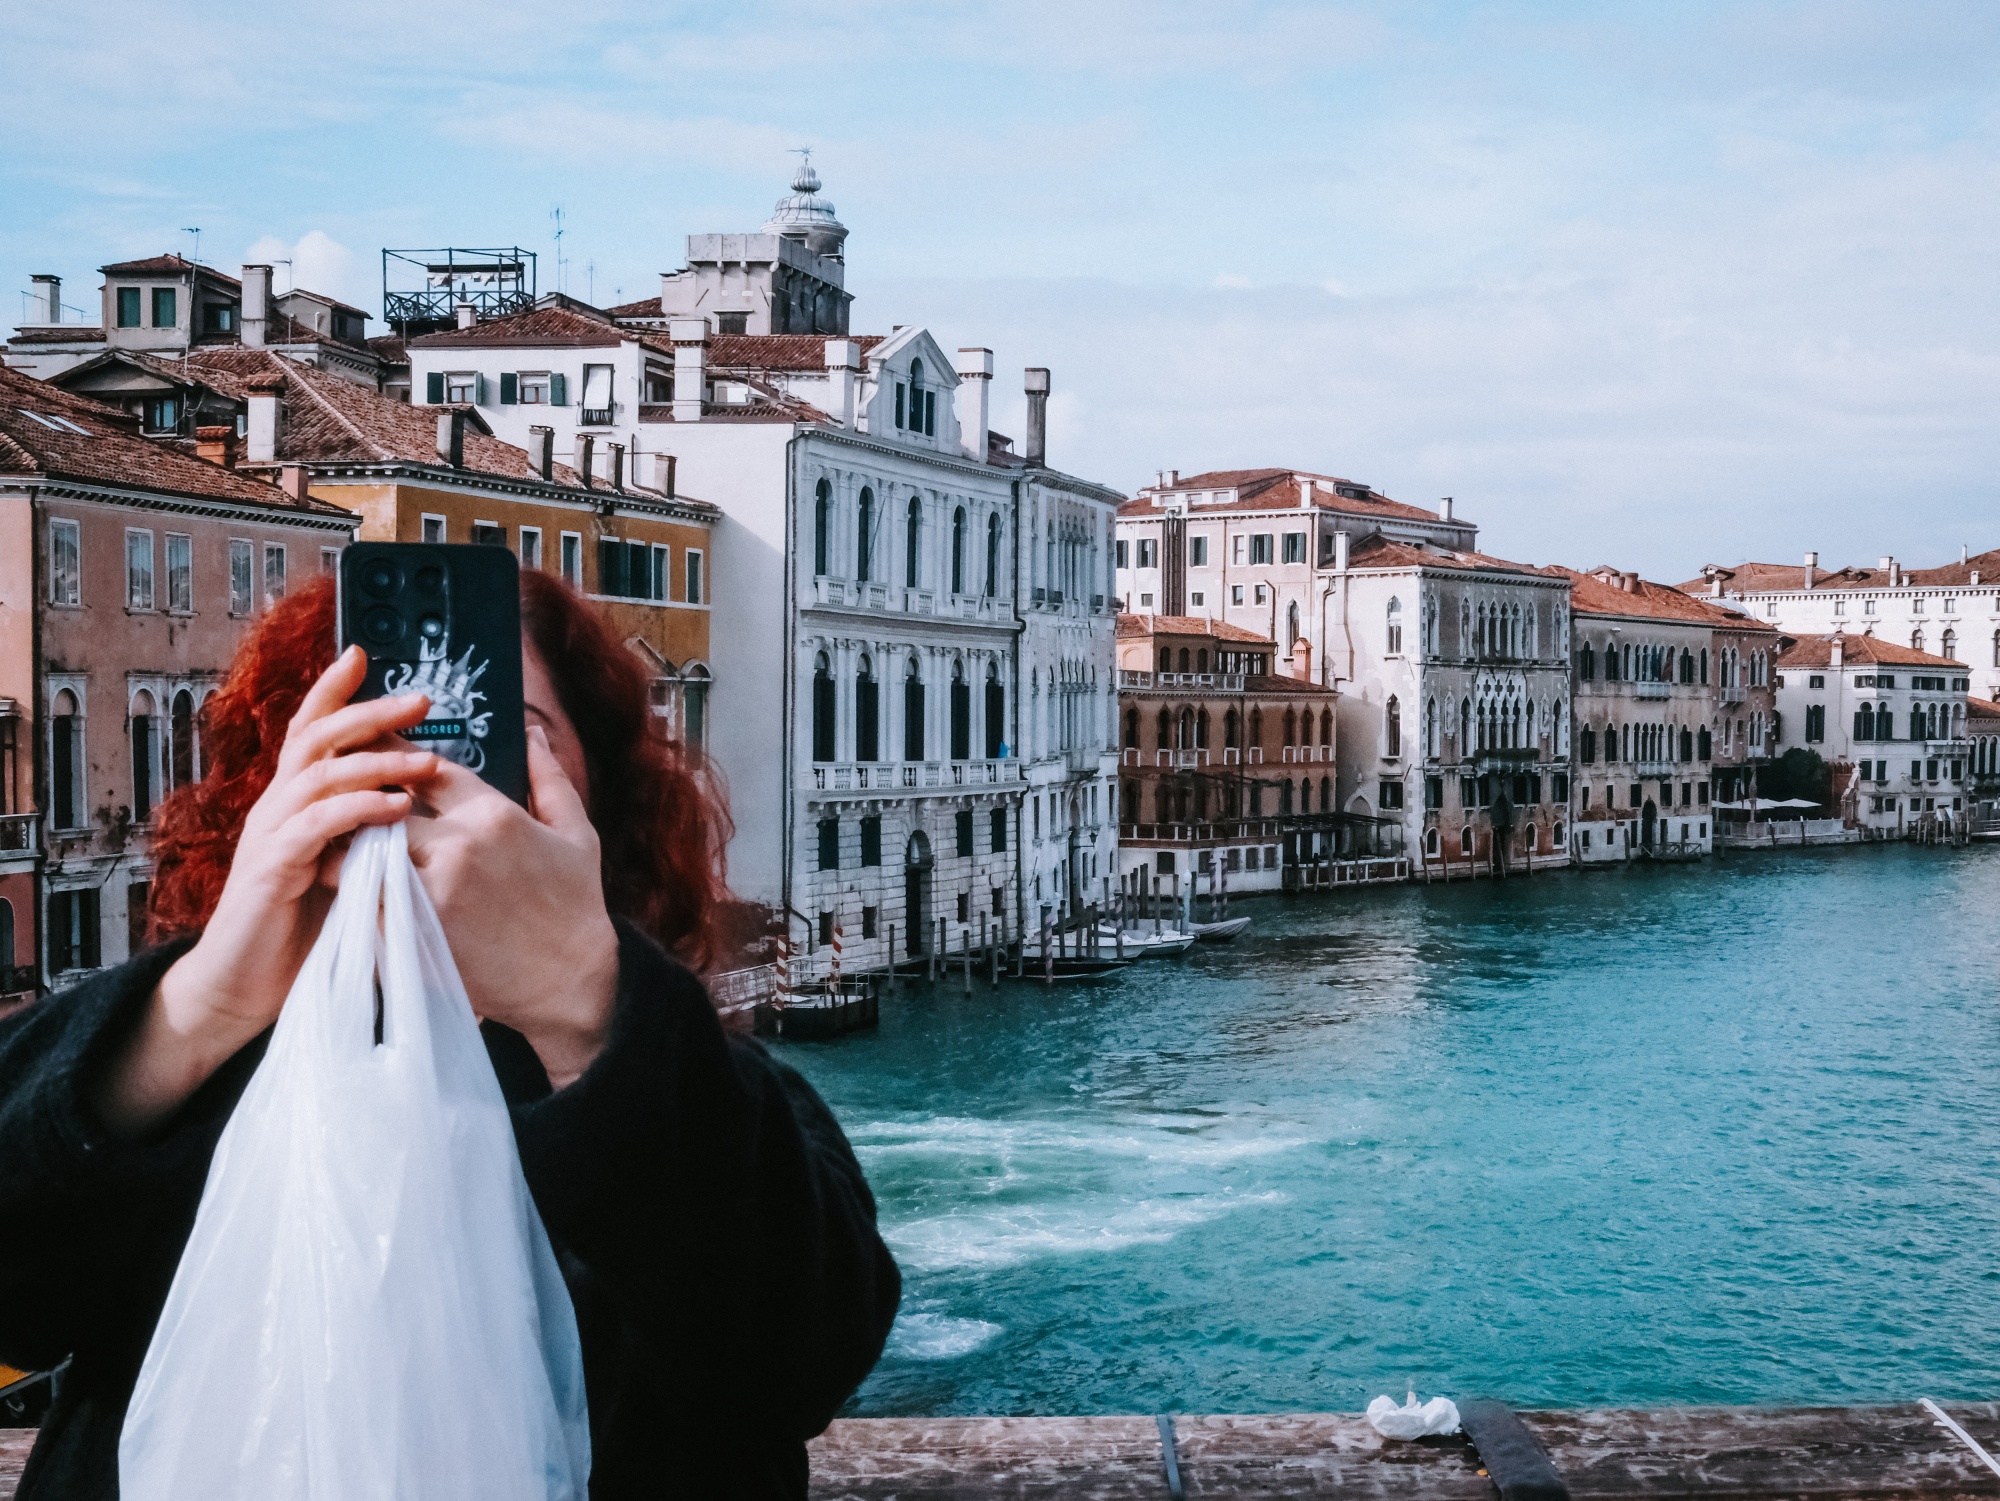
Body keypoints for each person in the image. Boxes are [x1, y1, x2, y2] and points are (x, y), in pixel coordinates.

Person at [0, 571, 901, 1499]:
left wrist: (582, 995)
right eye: (371, 739)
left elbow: (812, 1348)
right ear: (277, 790)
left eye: (508, 736)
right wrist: (210, 993)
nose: (440, 778)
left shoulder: (701, 1090)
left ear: (594, 792)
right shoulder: (186, 1065)